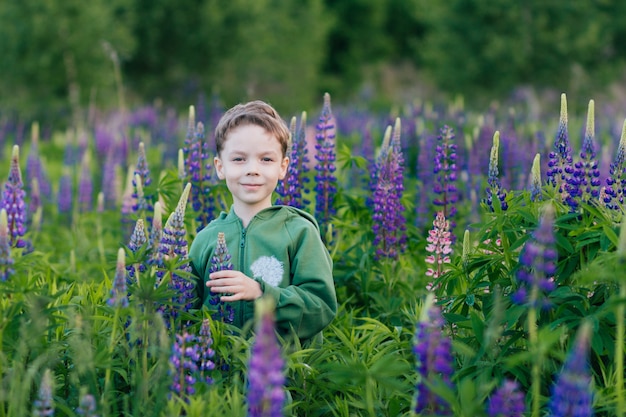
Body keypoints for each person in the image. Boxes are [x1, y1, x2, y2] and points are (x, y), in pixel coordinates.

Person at [189, 100, 337, 346]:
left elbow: (321, 306)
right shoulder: (206, 238)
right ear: (220, 167)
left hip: (285, 375)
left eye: (266, 159)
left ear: (283, 167)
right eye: (239, 159)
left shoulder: (299, 231)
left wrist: (261, 293)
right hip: (218, 374)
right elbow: (186, 310)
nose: (252, 169)